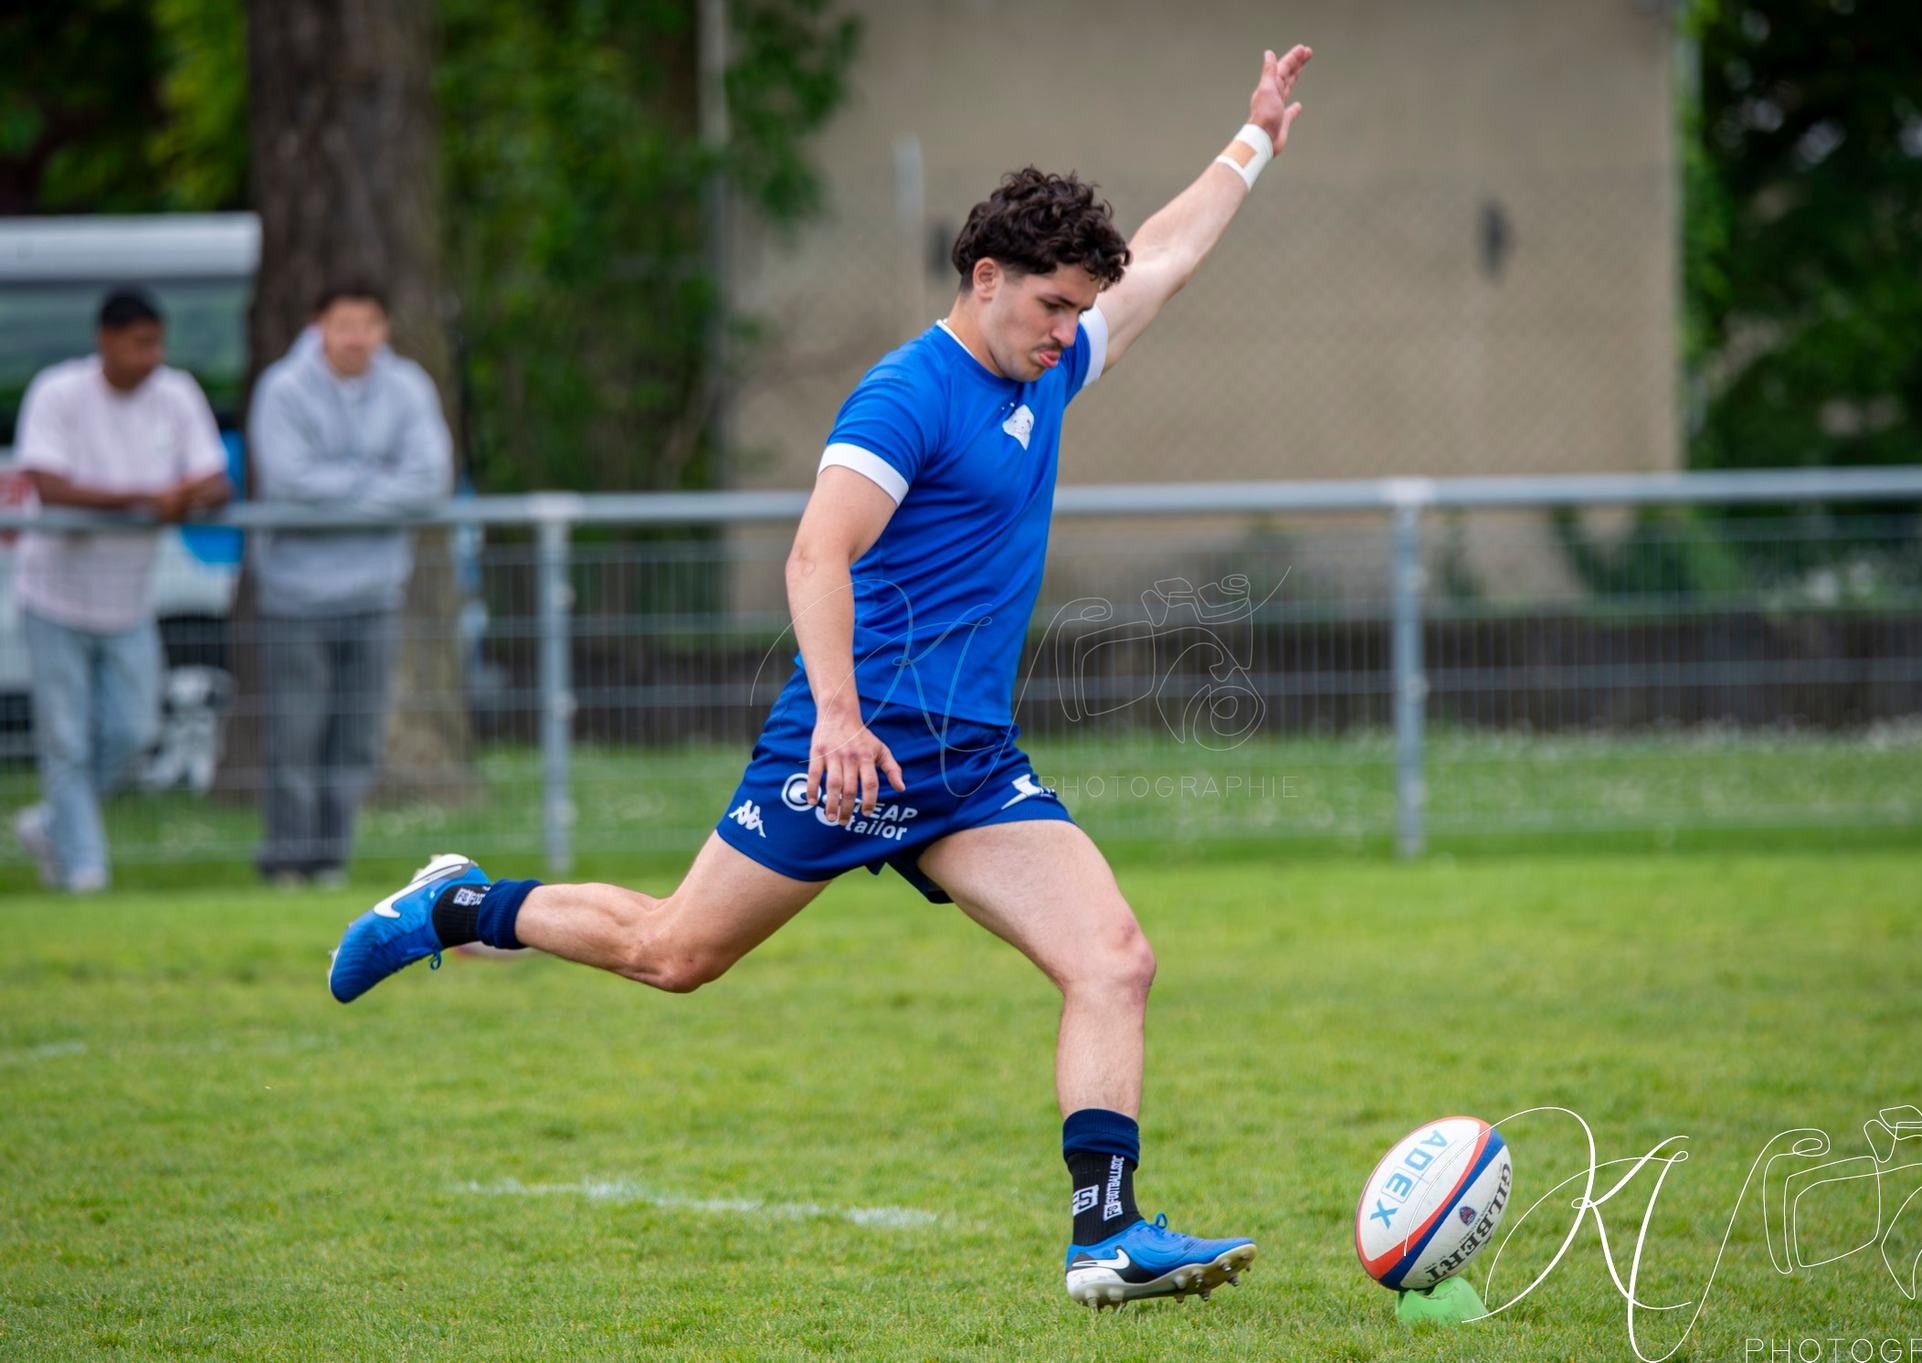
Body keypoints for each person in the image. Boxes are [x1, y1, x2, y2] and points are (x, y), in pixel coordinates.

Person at [328, 46, 1312, 1308]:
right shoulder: (905, 395)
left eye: (1078, 311)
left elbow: (1166, 255)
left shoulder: (1045, 369)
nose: (1067, 333)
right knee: (674, 953)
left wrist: (1253, 142)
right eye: (1049, 308)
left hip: (966, 766)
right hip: (851, 750)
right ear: (985, 278)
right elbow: (816, 551)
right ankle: (454, 908)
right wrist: (837, 719)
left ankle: (1104, 1235)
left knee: (1113, 957)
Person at [10, 287, 232, 892]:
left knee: (135, 732)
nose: (152, 355)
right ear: (105, 340)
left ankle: (51, 823)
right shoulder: (59, 392)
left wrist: (181, 496)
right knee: (65, 738)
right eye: (140, 344)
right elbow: (49, 486)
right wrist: (145, 499)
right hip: (54, 594)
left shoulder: (176, 392)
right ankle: (86, 871)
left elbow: (215, 479)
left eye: (158, 342)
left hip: (129, 599)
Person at [247, 282, 453, 887]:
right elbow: (286, 482)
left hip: (376, 594)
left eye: (368, 323)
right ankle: (287, 862)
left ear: (384, 329)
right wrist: (377, 485)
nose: (356, 336)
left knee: (356, 741)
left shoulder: (408, 386)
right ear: (318, 326)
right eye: (344, 323)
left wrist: (338, 489)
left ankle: (331, 862)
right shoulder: (283, 390)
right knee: (296, 737)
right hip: (294, 597)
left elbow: (428, 479)